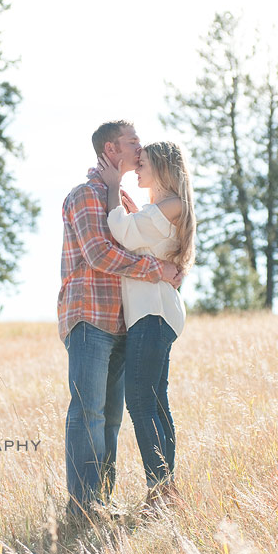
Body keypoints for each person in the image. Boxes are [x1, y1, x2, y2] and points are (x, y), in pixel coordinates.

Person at [58, 121, 184, 519]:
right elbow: (100, 254)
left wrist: (167, 268)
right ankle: (82, 506)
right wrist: (157, 270)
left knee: (111, 417)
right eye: (133, 141)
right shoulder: (86, 195)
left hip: (124, 323)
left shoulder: (126, 200)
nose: (140, 146)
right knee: (88, 412)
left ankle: (101, 502)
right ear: (111, 149)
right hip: (91, 315)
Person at [97, 140, 196, 512]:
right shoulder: (162, 207)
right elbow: (139, 237)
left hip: (153, 313)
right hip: (154, 313)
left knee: (140, 401)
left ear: (163, 168)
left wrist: (110, 188)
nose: (137, 169)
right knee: (155, 401)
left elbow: (123, 232)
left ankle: (160, 491)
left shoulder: (170, 205)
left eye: (144, 164)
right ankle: (166, 491)